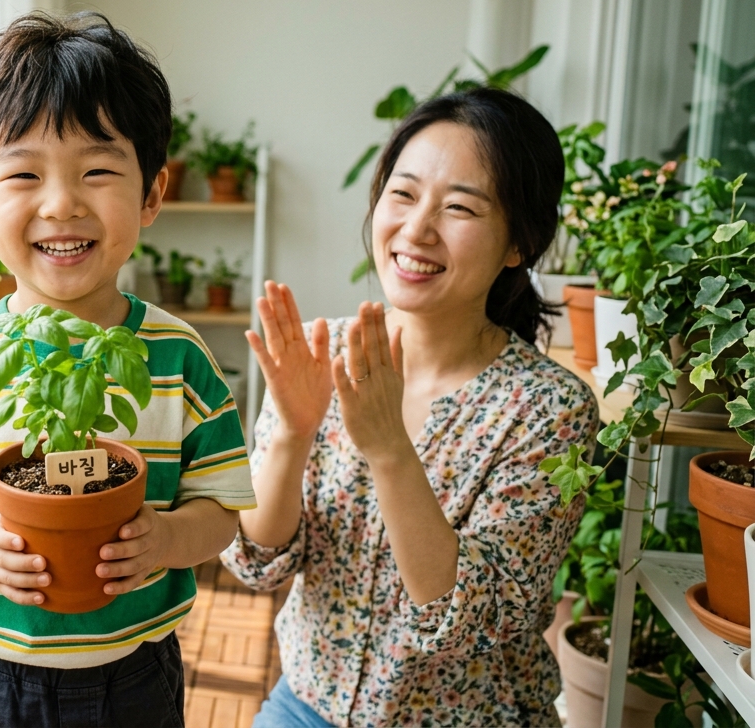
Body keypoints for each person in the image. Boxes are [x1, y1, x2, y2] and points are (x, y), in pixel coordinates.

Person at [0, 11, 256, 728]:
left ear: (151, 195)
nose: (61, 204)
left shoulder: (181, 359)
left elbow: (220, 509)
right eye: (23, 174)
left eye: (98, 170)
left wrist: (170, 539)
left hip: (136, 672)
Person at [227, 87, 600, 728]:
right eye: (402, 194)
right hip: (306, 703)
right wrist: (291, 432)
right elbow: (256, 564)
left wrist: (390, 449)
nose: (417, 229)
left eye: (459, 207)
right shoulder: (321, 353)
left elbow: (470, 620)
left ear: (520, 243)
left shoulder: (548, 408)